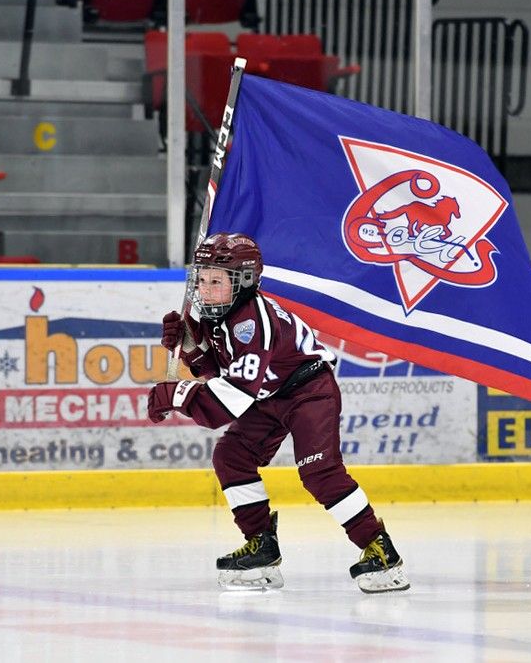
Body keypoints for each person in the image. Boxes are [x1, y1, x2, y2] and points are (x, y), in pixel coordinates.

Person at [147, 232, 410, 594]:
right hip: (269, 395)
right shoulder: (218, 314)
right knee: (232, 456)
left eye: (216, 281)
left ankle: (380, 550)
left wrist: (174, 394)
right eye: (202, 279)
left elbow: (226, 404)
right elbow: (220, 372)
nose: (205, 290)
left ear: (243, 282)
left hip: (308, 391)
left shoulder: (252, 321)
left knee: (320, 472)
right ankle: (262, 547)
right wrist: (191, 346)